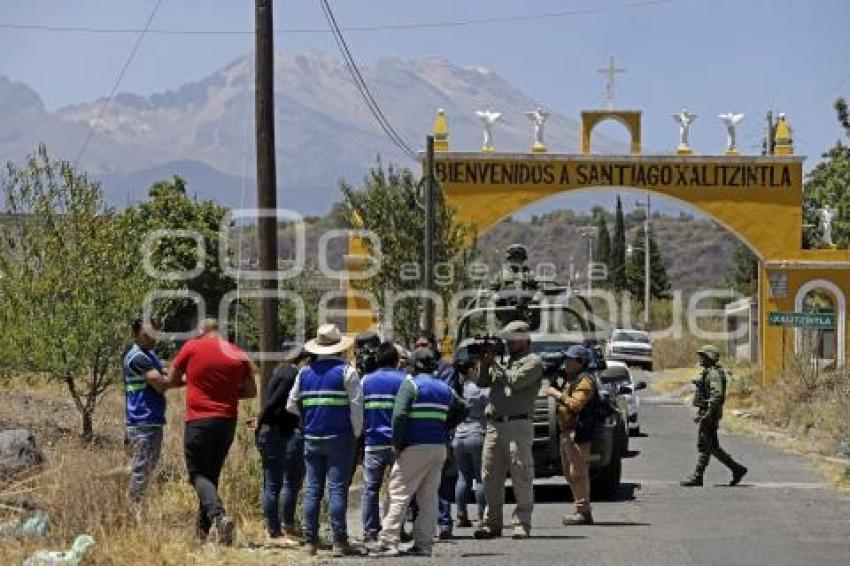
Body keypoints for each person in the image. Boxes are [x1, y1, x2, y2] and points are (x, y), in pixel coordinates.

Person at [168, 318, 257, 546]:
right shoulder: (237, 352)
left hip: (199, 420)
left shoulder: (192, 347)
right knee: (211, 476)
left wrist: (193, 383)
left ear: (202, 331)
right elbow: (250, 391)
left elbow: (172, 379)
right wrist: (225, 393)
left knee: (197, 474)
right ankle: (201, 535)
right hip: (226, 422)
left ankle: (218, 516)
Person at [373, 348, 468, 557]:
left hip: (414, 447)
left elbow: (399, 416)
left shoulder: (411, 385)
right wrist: (443, 426)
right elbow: (464, 408)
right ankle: (424, 544)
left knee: (398, 493)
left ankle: (388, 541)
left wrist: (397, 443)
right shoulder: (444, 388)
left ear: (413, 366)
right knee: (428, 497)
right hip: (438, 448)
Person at [286, 324, 363, 557]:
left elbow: (291, 405)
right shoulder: (348, 372)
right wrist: (356, 434)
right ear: (339, 348)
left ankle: (310, 542)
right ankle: (340, 542)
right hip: (340, 438)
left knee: (312, 489)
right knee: (337, 489)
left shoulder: (304, 372)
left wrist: (309, 418)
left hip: (311, 437)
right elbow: (357, 408)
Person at [475, 320, 543, 540]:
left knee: (521, 473)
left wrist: (495, 363)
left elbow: (514, 382)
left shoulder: (533, 362)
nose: (508, 344)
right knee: (490, 475)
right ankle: (491, 523)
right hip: (495, 424)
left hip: (518, 425)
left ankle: (522, 522)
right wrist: (485, 364)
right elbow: (482, 383)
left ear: (524, 338)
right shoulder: (503, 362)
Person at [253, 343, 308, 547]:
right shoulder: (290, 375)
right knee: (279, 483)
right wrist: (261, 423)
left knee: (278, 482)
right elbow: (273, 403)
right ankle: (276, 531)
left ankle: (282, 528)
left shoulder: (281, 372)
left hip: (276, 433)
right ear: (300, 358)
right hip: (278, 434)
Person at [412, 329, 459, 539]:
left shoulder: (446, 369)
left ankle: (444, 522)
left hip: (440, 432)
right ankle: (417, 524)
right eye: (418, 345)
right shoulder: (411, 370)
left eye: (425, 345)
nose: (421, 349)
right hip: (415, 434)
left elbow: (449, 399)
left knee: (442, 481)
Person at [680, 345, 748, 487]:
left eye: (703, 356)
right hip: (709, 412)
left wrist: (708, 413)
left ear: (709, 358)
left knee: (706, 445)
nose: (700, 359)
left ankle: (699, 476)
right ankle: (736, 469)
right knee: (710, 446)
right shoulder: (709, 372)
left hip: (711, 413)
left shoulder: (713, 374)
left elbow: (716, 395)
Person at [123, 318, 172, 511]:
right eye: (147, 334)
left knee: (145, 468)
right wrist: (183, 380)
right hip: (142, 422)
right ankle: (133, 511)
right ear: (136, 335)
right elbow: (160, 383)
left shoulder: (149, 355)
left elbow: (167, 374)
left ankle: (135, 508)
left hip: (149, 421)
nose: (152, 338)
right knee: (141, 471)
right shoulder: (137, 357)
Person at [546, 345, 598, 525]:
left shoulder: (585, 381)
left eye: (570, 359)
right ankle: (580, 508)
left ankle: (583, 511)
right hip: (566, 431)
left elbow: (576, 405)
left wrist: (556, 394)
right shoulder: (571, 379)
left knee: (578, 473)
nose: (566, 362)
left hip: (578, 432)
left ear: (580, 362)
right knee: (570, 473)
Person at [360, 341, 406, 543]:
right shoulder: (405, 380)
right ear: (397, 361)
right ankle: (397, 529)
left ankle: (370, 530)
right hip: (399, 444)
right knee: (399, 489)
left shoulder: (366, 381)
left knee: (370, 488)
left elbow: (359, 411)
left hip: (373, 442)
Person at [452, 346, 489, 527]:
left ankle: (461, 514)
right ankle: (482, 515)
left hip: (459, 436)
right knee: (481, 478)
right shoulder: (477, 389)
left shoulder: (457, 389)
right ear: (471, 370)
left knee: (462, 477)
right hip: (477, 434)